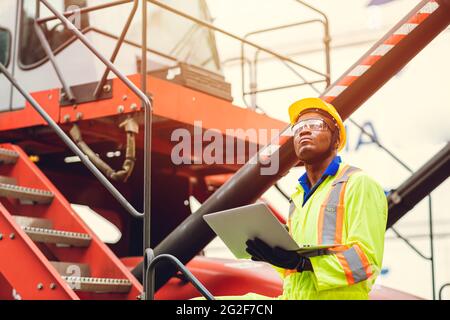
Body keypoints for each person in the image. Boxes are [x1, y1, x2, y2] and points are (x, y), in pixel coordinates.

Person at [246, 97, 388, 300]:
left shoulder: (359, 183)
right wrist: (273, 256)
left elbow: (365, 262)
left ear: (336, 140)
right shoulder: (299, 197)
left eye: (315, 125)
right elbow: (292, 271)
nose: (304, 131)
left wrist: (302, 263)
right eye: (299, 127)